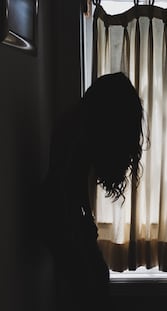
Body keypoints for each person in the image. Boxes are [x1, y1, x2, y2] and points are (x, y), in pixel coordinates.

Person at [39, 72, 146, 311]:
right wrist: (80, 228)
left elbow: (75, 183)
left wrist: (87, 220)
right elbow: (64, 186)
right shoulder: (76, 130)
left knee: (93, 284)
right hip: (59, 218)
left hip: (62, 216)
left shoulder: (80, 124)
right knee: (92, 286)